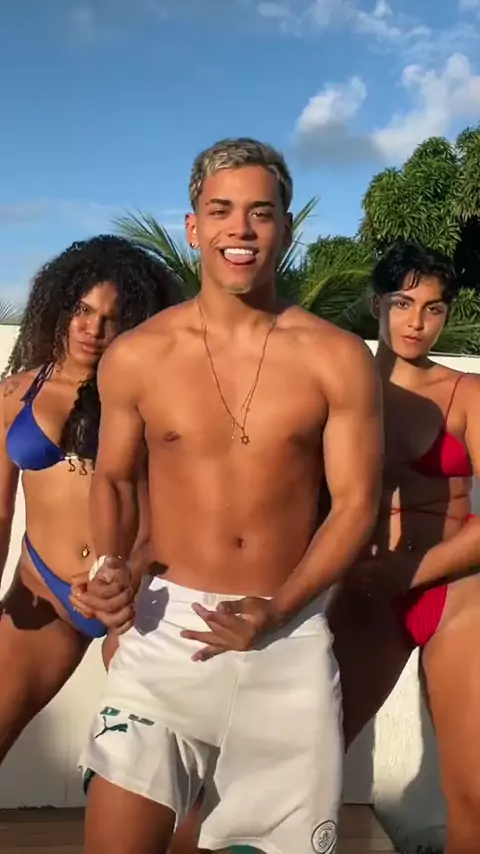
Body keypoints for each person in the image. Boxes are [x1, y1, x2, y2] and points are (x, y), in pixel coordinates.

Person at [78, 137, 383, 854]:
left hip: (288, 634)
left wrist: (279, 608)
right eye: (220, 211)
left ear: (286, 227)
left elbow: (356, 505)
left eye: (260, 213)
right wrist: (109, 567)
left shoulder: (337, 357)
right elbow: (115, 479)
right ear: (193, 228)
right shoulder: (138, 355)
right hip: (166, 629)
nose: (239, 230)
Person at [328, 240, 480, 854]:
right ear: (376, 305)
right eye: (403, 303)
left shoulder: (467, 393)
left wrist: (413, 571)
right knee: (307, 765)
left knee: (473, 790)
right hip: (367, 597)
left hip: (456, 594)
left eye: (433, 308)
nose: (417, 321)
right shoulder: (340, 388)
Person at [0, 234, 175, 763]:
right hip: (45, 590)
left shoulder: (154, 400)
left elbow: (179, 503)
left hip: (140, 596)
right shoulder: (14, 395)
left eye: (111, 318)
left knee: (163, 775)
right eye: (82, 310)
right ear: (60, 306)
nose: (92, 329)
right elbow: (1, 510)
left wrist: (131, 571)